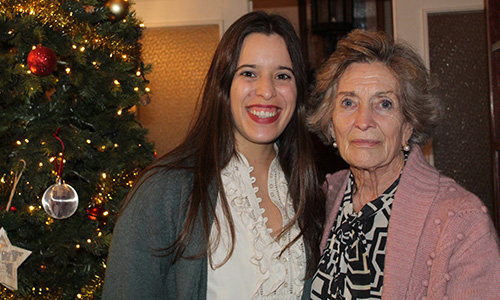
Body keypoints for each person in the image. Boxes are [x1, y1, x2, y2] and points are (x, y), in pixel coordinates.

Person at [102, 11, 325, 300]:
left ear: (298, 91)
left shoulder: (312, 190)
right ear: (224, 86)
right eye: (249, 73)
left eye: (283, 75)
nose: (267, 91)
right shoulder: (165, 190)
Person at [308, 29, 500, 299]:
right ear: (330, 121)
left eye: (384, 103)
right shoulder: (325, 198)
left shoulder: (461, 222)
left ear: (408, 124)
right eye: (349, 102)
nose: (364, 121)